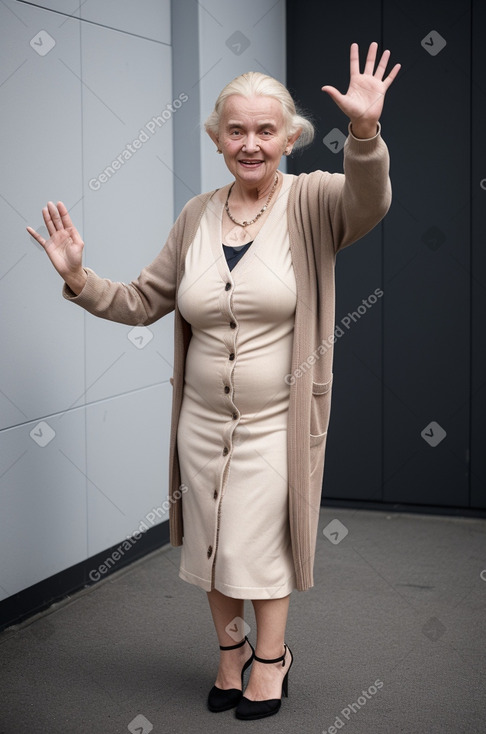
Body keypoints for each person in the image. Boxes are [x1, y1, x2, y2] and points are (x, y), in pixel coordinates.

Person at [27, 42, 400, 721]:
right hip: (199, 422)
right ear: (217, 138)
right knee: (211, 543)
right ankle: (229, 654)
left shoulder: (314, 201)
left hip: (276, 422)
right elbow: (142, 300)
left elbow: (369, 200)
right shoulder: (197, 215)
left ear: (289, 136)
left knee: (259, 546)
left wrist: (366, 133)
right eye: (236, 130)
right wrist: (78, 278)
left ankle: (269, 660)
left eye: (265, 130)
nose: (250, 143)